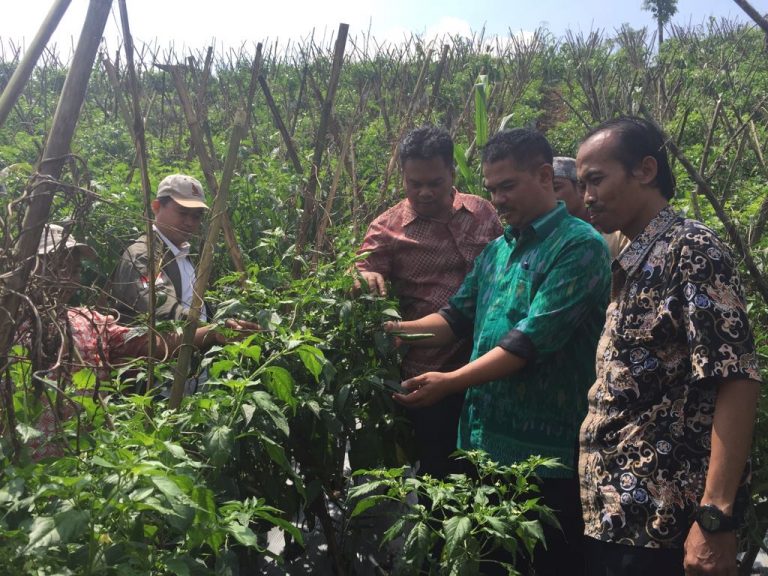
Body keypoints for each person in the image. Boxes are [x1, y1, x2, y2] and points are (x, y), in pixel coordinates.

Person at [390, 128, 611, 574]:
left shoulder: (579, 245)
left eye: (507, 186)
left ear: (545, 176)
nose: (498, 200)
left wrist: (450, 381)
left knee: (548, 562)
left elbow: (528, 341)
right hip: (483, 446)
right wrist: (390, 332)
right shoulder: (497, 251)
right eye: (492, 189)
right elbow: (454, 318)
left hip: (545, 457)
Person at [576, 116, 762, 576]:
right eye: (581, 185)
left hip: (666, 521)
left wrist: (715, 516)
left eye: (596, 180)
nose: (587, 196)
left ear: (645, 170)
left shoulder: (690, 249)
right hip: (619, 514)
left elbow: (736, 379)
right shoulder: (633, 258)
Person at [12, 224, 250, 459]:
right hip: (19, 468)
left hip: (80, 464)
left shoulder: (89, 323)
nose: (69, 279)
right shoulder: (8, 324)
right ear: (29, 268)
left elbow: (153, 343)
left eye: (74, 270)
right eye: (58, 268)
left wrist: (214, 333)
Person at [355, 126, 502, 478]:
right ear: (402, 176)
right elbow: (361, 268)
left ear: (452, 172)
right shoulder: (388, 228)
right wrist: (362, 276)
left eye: (435, 182)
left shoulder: (483, 212)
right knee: (439, 474)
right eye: (414, 183)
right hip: (430, 372)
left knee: (492, 473)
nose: (424, 192)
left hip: (491, 366)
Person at [110, 173, 211, 324]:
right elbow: (162, 312)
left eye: (196, 216)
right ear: (156, 207)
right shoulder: (144, 255)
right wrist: (213, 330)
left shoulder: (181, 253)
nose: (189, 222)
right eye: (182, 212)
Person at [553, 156, 629, 259]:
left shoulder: (616, 233)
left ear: (579, 188)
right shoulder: (553, 240)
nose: (550, 197)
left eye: (556, 188)